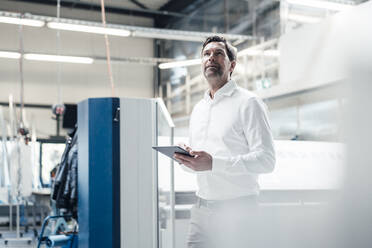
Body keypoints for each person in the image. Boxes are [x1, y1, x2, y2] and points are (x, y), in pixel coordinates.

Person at [174, 36, 276, 248]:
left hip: (239, 212)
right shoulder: (199, 110)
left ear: (232, 65)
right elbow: (199, 168)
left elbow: (266, 160)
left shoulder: (248, 103)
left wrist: (213, 163)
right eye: (206, 54)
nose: (211, 58)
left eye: (218, 53)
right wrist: (187, 159)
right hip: (201, 211)